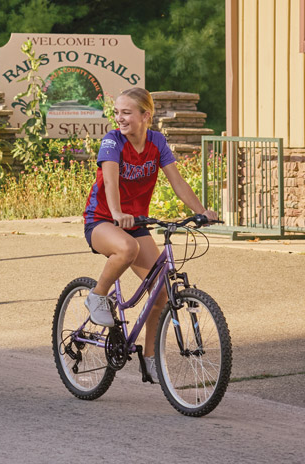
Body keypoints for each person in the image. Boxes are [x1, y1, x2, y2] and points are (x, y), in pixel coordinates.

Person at [82, 88, 216, 382]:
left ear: (146, 116)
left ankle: (150, 357)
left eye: (126, 113)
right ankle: (96, 296)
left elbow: (177, 182)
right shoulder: (112, 141)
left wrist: (202, 211)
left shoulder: (157, 142)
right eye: (117, 112)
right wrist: (116, 213)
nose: (119, 118)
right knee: (127, 248)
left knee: (161, 293)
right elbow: (110, 178)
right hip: (102, 219)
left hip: (135, 222)